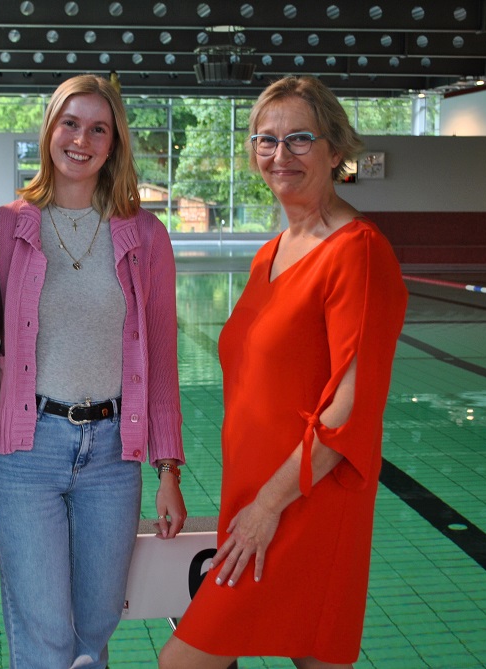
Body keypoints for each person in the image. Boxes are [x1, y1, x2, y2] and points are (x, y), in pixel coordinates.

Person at [159, 75, 408, 669]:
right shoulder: (272, 251)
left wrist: (269, 505)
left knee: (184, 660)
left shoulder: (359, 252)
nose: (280, 155)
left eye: (299, 138)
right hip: (256, 494)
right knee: (309, 654)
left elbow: (351, 406)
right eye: (265, 141)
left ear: (335, 148)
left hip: (305, 498)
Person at [0, 74, 188, 669]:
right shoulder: (6, 227)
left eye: (98, 128)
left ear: (115, 141)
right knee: (45, 635)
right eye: (70, 123)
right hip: (26, 454)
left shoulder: (145, 236)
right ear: (50, 129)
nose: (82, 139)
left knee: (96, 629)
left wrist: (168, 468)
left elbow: (160, 356)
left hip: (111, 456)